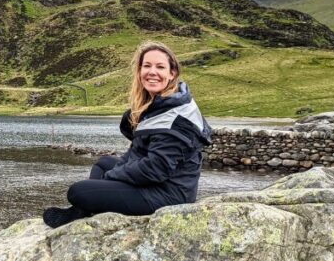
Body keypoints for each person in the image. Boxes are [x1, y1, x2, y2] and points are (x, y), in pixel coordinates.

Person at [42, 41, 212, 228]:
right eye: (146, 66)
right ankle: (86, 208)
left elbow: (154, 169)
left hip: (169, 193)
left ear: (172, 73)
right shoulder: (162, 104)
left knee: (77, 192)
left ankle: (85, 206)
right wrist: (114, 174)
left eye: (160, 67)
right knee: (103, 163)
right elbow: (137, 152)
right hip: (161, 181)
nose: (152, 72)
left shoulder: (177, 117)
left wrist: (112, 177)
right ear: (139, 72)